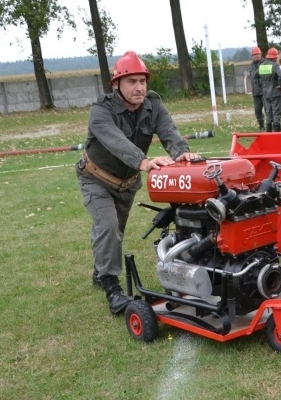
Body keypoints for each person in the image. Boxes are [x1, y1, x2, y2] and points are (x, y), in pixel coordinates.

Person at [77, 51, 201, 315]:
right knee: (108, 227)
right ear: (117, 85)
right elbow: (115, 141)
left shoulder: (153, 104)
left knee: (114, 232)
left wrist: (181, 152)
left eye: (142, 81)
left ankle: (100, 273)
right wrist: (143, 161)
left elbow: (168, 130)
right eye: (131, 81)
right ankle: (112, 288)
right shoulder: (100, 110)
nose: (139, 87)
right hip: (95, 179)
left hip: (126, 184)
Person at [255, 47, 281, 131]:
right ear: (275, 57)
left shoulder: (261, 66)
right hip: (275, 91)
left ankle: (268, 130)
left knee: (268, 111)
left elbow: (255, 77)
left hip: (265, 92)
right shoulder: (274, 65)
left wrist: (260, 86)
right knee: (276, 111)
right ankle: (277, 130)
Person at [249, 47, 265, 131]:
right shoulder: (251, 65)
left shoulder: (265, 63)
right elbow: (252, 76)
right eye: (254, 55)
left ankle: (271, 125)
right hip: (255, 92)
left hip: (264, 91)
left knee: (268, 109)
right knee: (257, 110)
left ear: (260, 54)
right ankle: (261, 125)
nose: (256, 56)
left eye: (257, 54)